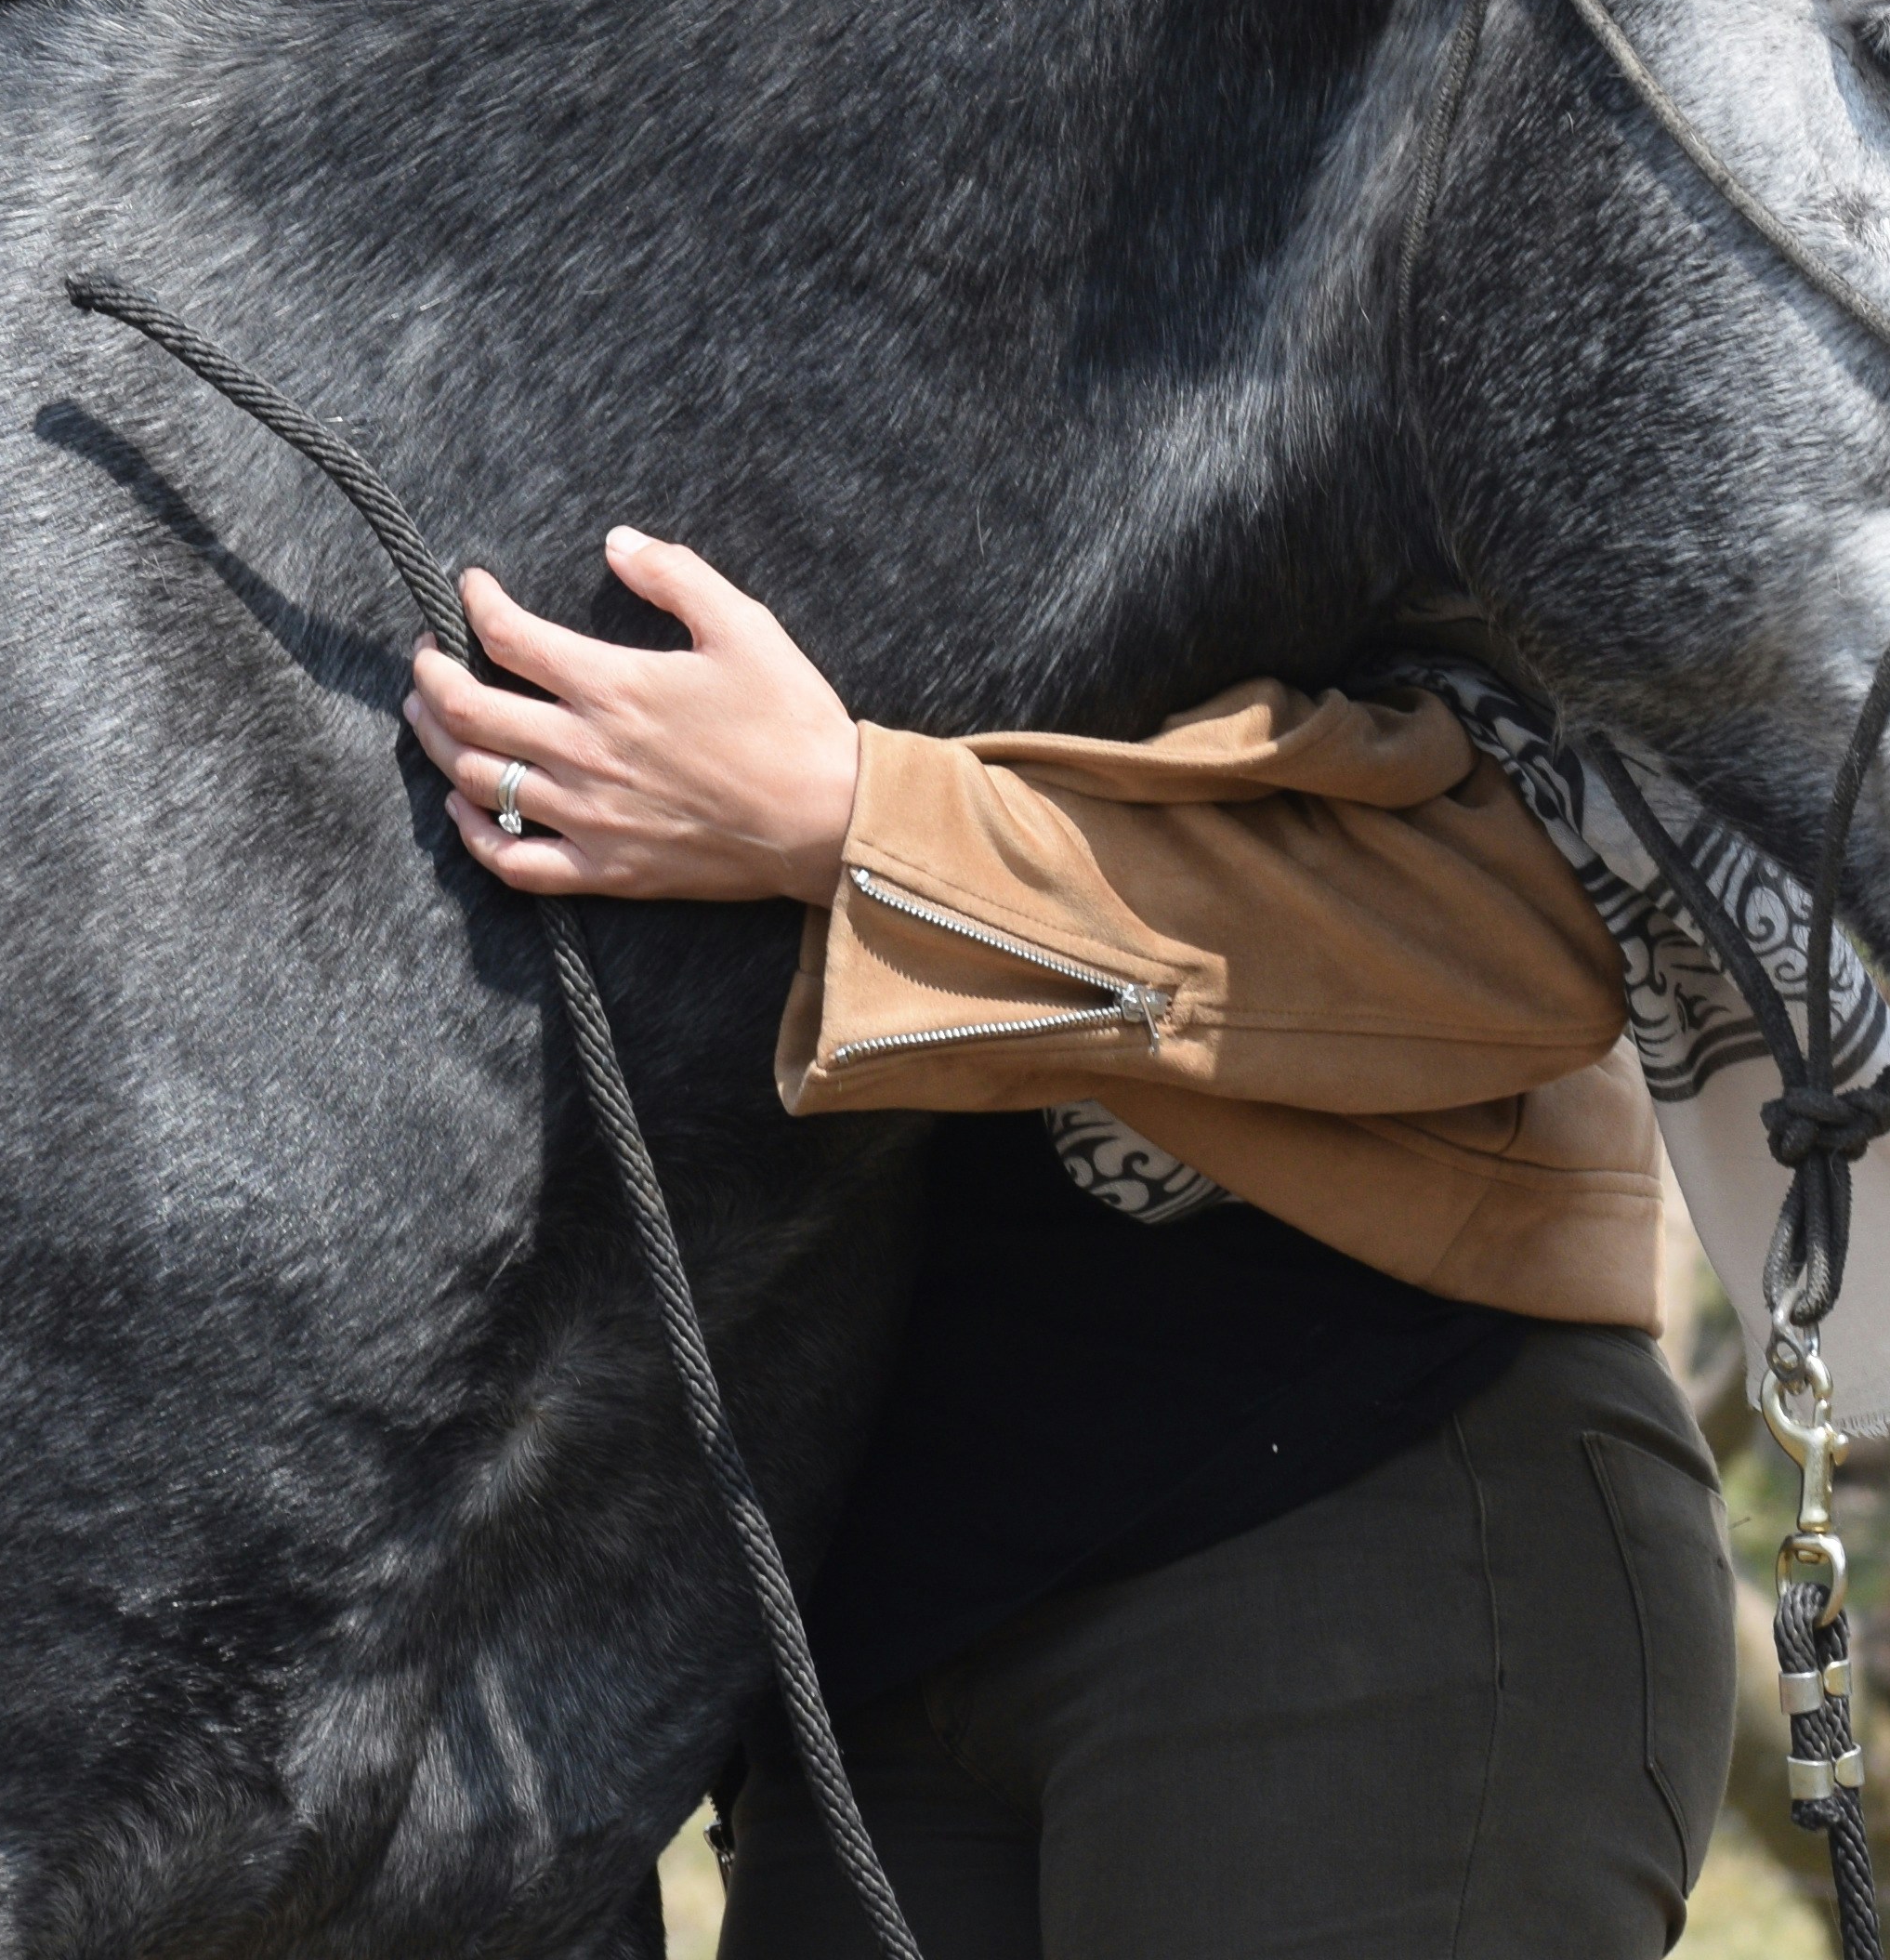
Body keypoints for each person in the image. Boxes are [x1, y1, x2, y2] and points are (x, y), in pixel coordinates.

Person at [407, 527, 1739, 1960]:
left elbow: (1538, 936)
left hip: (1371, 1523)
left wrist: (851, 820)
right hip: (871, 1632)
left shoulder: (1358, 362)